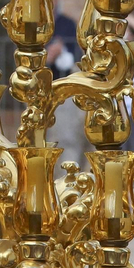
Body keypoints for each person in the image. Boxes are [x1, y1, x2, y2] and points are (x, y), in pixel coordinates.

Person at [47, 12, 88, 166]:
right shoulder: (34, 25)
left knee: (71, 141)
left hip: (67, 91)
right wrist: (47, 57)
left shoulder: (67, 23)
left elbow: (75, 54)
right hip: (49, 89)